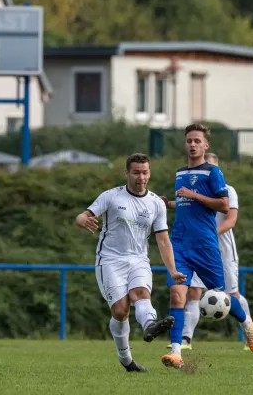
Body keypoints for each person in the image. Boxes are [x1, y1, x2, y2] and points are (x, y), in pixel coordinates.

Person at [75, 153, 186, 373]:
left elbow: (163, 240)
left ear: (149, 173)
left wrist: (173, 270)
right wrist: (82, 220)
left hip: (139, 260)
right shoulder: (111, 196)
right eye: (136, 172)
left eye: (145, 172)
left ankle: (150, 326)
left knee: (141, 293)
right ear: (127, 173)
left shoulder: (156, 203)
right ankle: (127, 360)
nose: (141, 177)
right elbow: (82, 215)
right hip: (109, 260)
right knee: (120, 311)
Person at [160, 124, 253, 369]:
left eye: (197, 141)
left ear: (206, 145)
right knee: (177, 295)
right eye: (189, 141)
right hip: (179, 243)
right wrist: (169, 203)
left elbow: (224, 205)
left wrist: (194, 195)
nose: (192, 144)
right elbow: (187, 205)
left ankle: (246, 323)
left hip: (205, 244)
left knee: (221, 295)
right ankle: (176, 352)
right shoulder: (180, 173)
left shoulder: (213, 172)